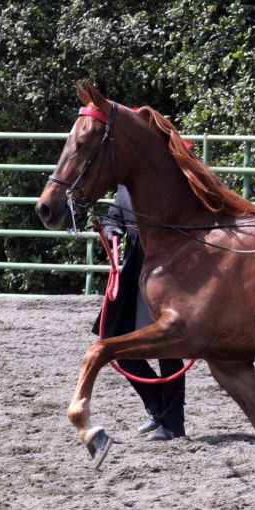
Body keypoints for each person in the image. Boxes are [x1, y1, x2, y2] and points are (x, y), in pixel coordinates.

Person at [92, 185, 186, 441]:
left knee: (168, 347)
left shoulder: (171, 179)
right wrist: (112, 230)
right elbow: (115, 216)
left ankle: (173, 424)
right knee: (114, 340)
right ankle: (157, 408)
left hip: (168, 268)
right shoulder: (126, 186)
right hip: (136, 267)